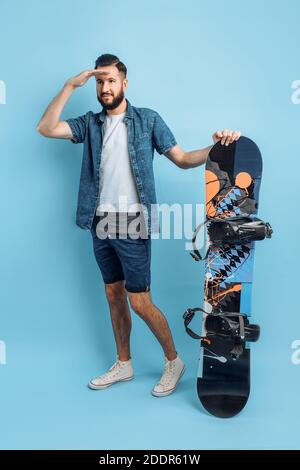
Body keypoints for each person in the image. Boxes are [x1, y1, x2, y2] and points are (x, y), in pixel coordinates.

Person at [36, 53, 241, 397]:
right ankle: (124, 363)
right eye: (100, 82)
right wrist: (70, 85)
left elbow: (183, 159)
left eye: (111, 81)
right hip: (99, 221)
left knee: (140, 302)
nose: (104, 87)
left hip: (132, 223)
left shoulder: (147, 120)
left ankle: (173, 361)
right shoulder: (90, 124)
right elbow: (46, 128)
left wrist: (218, 147)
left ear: (124, 83)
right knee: (113, 296)